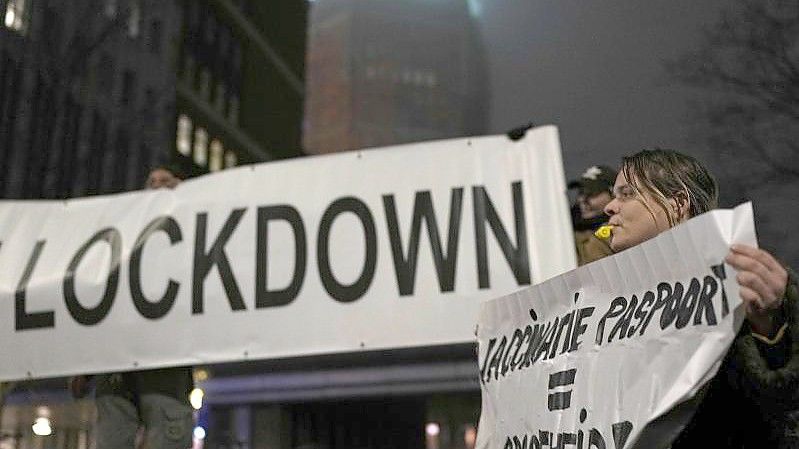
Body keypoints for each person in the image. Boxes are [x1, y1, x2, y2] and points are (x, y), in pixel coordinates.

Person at [600, 149, 798, 448]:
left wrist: (770, 324)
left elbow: (778, 403)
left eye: (626, 194)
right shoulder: (602, 300)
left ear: (678, 203)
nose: (610, 207)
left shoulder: (746, 277)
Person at [70, 164, 194, 449]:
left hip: (165, 360)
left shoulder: (195, 230)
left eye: (166, 181)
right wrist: (83, 363)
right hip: (115, 361)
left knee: (169, 435)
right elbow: (99, 294)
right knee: (112, 438)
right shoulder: (119, 233)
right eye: (152, 182)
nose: (158, 186)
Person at [568, 165, 615, 265]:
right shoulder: (565, 231)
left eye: (591, 193)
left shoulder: (625, 231)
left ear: (613, 195)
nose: (581, 199)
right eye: (581, 192)